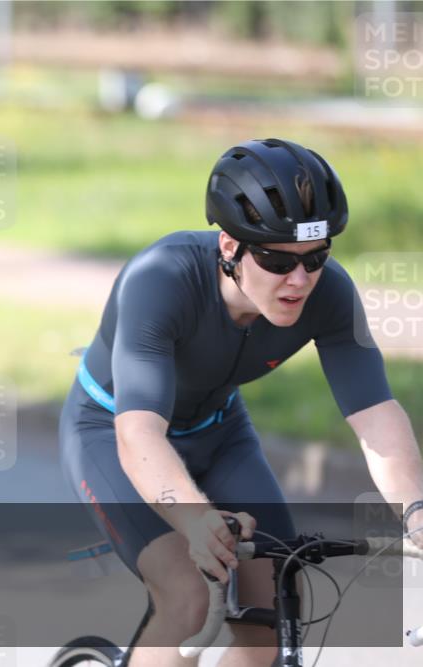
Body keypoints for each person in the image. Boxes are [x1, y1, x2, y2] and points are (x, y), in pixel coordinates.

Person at [58, 138, 423, 667]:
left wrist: (415, 511)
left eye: (316, 257)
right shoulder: (161, 281)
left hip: (221, 433)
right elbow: (138, 435)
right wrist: (196, 521)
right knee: (189, 594)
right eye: (278, 260)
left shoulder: (330, 294)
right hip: (110, 433)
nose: (300, 280)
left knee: (276, 604)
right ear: (230, 246)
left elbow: (376, 414)